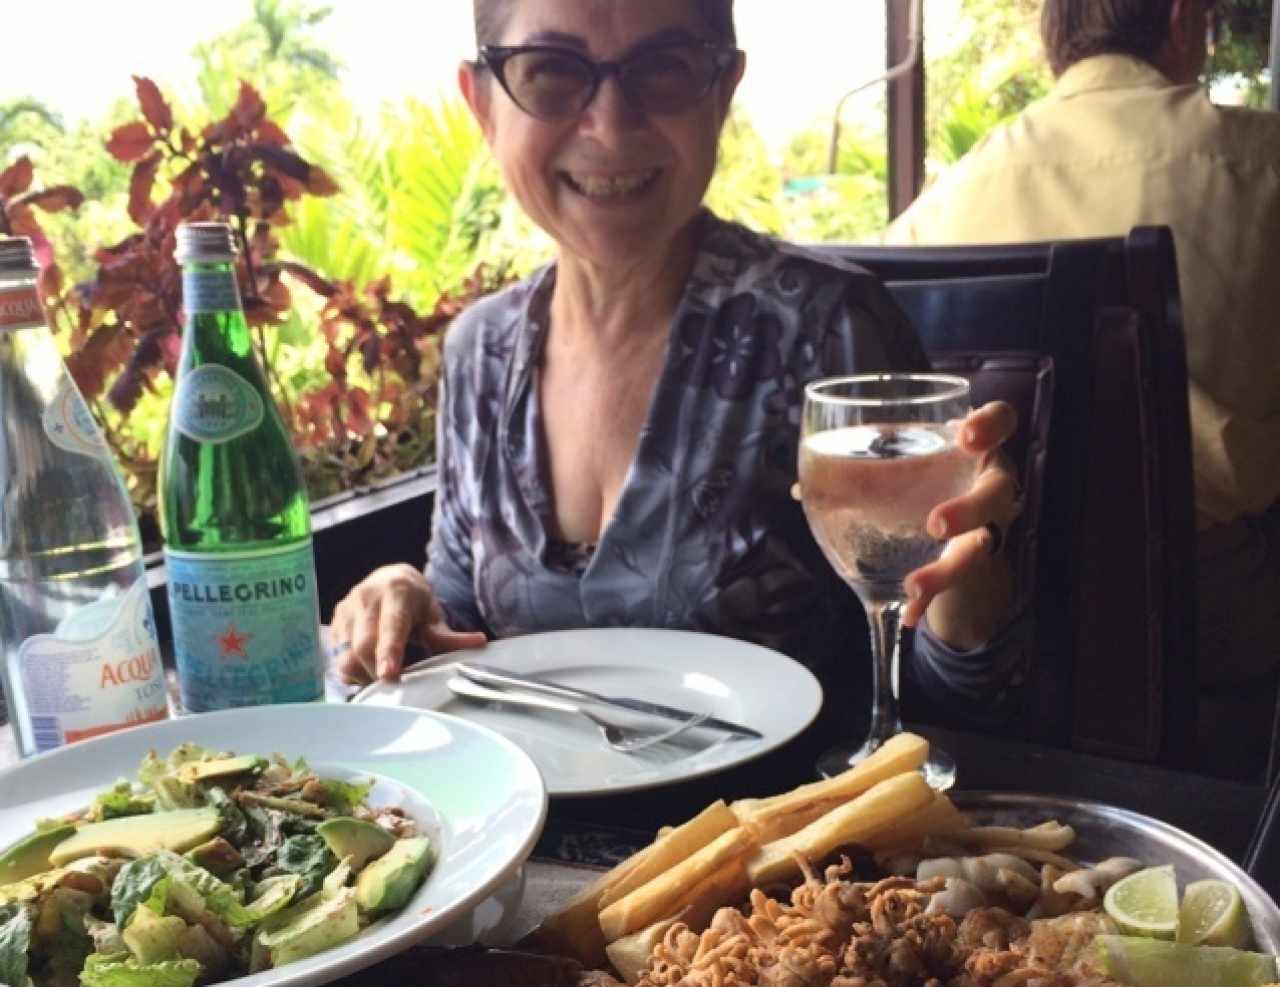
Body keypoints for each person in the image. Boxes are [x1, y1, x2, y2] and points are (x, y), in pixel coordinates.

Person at [331, 0, 1022, 721]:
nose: (610, 124)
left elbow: (953, 702)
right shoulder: (481, 349)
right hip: (530, 824)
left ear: (722, 91)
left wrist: (967, 584)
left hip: (777, 826)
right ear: (483, 104)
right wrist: (402, 593)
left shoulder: (827, 329)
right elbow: (464, 626)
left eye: (664, 68)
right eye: (550, 72)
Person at [884, 0, 1280, 756]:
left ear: (1051, 43)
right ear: (1181, 20)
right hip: (1220, 613)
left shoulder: (946, 198)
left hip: (991, 621)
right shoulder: (1262, 165)